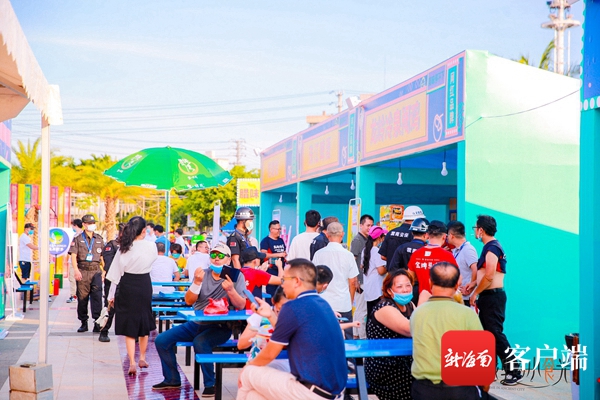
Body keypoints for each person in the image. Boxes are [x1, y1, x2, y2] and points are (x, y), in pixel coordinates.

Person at [237, 259, 347, 400]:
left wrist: (248, 366)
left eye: (284, 280)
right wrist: (270, 314)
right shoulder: (323, 304)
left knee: (248, 372)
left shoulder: (293, 306)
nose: (282, 284)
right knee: (253, 396)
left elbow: (270, 353)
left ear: (296, 281)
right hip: (333, 393)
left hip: (310, 392)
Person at [153, 243, 246, 396]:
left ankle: (211, 383)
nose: (216, 258)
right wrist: (196, 283)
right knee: (161, 340)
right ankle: (172, 379)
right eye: (213, 255)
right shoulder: (202, 274)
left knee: (200, 342)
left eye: (220, 255)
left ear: (228, 260)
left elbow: (241, 305)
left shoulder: (236, 276)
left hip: (221, 326)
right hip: (196, 323)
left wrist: (230, 290)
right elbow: (189, 301)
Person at [410, 262, 487, 399]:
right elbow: (481, 359)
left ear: (430, 282)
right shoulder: (467, 314)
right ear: (457, 285)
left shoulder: (417, 313)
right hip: (460, 390)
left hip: (423, 390)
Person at [470, 215, 523, 385]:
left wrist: (475, 293)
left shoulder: (492, 248)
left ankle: (514, 369)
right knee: (488, 334)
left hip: (492, 297)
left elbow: (490, 275)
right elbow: (485, 274)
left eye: (475, 228)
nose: (474, 231)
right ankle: (489, 369)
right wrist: (473, 284)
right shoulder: (490, 247)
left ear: (481, 230)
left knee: (495, 333)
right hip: (488, 296)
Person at [106, 216, 158, 375]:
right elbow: (152, 260)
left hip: (127, 284)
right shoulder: (151, 246)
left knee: (129, 323)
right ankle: (142, 357)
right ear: (143, 230)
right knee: (144, 320)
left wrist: (111, 296)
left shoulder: (123, 247)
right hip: (144, 283)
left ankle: (132, 362)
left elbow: (115, 273)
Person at [365, 269, 416, 400]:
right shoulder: (385, 307)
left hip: (405, 361)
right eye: (399, 286)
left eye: (408, 285)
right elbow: (411, 329)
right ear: (389, 291)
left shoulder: (410, 305)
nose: (405, 290)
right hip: (385, 366)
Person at [312, 222, 359, 339]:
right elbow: (352, 282)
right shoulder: (348, 255)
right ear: (342, 235)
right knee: (346, 340)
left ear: (327, 235)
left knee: (323, 337)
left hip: (323, 303)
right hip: (343, 303)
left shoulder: (318, 254)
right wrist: (350, 300)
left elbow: (313, 279)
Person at [238, 287, 290, 372]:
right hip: (260, 362)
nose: (283, 312)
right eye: (280, 308)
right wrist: (258, 333)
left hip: (285, 364)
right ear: (273, 301)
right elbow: (241, 345)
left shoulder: (294, 317)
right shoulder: (261, 315)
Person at [70, 214, 105, 333]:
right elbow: (73, 256)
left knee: (97, 298)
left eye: (93, 223)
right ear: (84, 225)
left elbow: (102, 257)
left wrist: (104, 271)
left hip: (96, 271)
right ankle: (83, 322)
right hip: (83, 270)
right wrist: (76, 270)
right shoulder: (78, 239)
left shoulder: (99, 238)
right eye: (89, 223)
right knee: (82, 298)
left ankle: (97, 322)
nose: (92, 225)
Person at [408, 220, 457, 302]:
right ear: (444, 237)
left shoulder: (416, 254)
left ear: (427, 235)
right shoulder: (447, 256)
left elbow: (410, 278)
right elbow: (457, 279)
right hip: (442, 300)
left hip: (422, 301)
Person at [98, 222, 124, 343]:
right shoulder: (112, 245)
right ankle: (104, 331)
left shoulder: (133, 246)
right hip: (113, 280)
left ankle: (132, 333)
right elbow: (108, 264)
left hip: (127, 281)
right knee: (110, 307)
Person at [447, 221, 478, 306]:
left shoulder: (468, 249)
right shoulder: (456, 250)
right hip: (458, 296)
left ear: (451, 235)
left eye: (447, 235)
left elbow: (475, 269)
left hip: (466, 298)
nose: (446, 237)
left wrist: (470, 288)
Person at [362, 226, 388, 319]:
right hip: (377, 289)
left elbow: (362, 266)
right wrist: (389, 265)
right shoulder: (377, 251)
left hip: (369, 288)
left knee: (370, 315)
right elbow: (381, 271)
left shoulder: (365, 250)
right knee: (378, 316)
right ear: (379, 238)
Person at [260, 220, 287, 303]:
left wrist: (285, 256)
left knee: (281, 294)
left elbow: (283, 252)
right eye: (277, 229)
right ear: (271, 229)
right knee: (271, 295)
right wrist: (278, 254)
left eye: (280, 229)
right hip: (271, 271)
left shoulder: (281, 240)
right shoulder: (265, 241)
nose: (279, 231)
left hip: (281, 270)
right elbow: (263, 255)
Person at [350, 214, 374, 283]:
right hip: (360, 280)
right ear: (361, 226)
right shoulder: (357, 240)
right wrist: (355, 279)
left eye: (372, 226)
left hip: (367, 278)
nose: (370, 228)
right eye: (368, 225)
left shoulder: (369, 240)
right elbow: (352, 261)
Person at [66, 219, 83, 303]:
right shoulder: (81, 235)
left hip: (75, 261)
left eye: (73, 225)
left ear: (75, 225)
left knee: (72, 278)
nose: (72, 227)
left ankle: (74, 296)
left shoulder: (78, 236)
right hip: (79, 261)